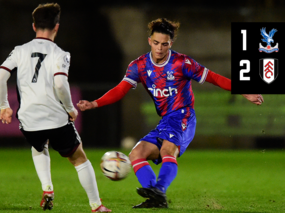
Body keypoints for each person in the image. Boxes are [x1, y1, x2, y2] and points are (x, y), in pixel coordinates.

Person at [77, 18, 264, 208]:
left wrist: (243, 90)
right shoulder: (139, 66)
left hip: (183, 116)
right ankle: (156, 198)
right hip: (166, 120)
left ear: (170, 44)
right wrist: (95, 103)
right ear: (150, 41)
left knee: (168, 150)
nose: (159, 48)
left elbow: (214, 78)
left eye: (164, 44)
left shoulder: (183, 63)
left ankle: (159, 190)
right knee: (136, 154)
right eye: (156, 43)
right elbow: (120, 89)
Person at [0, 3, 111, 212]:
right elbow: (60, 83)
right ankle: (96, 206)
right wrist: (69, 108)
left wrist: (4, 106)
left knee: (39, 145)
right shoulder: (60, 53)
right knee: (79, 158)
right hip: (55, 117)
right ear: (57, 27)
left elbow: (0, 77)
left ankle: (47, 189)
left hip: (28, 120)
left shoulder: (20, 50)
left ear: (33, 26)